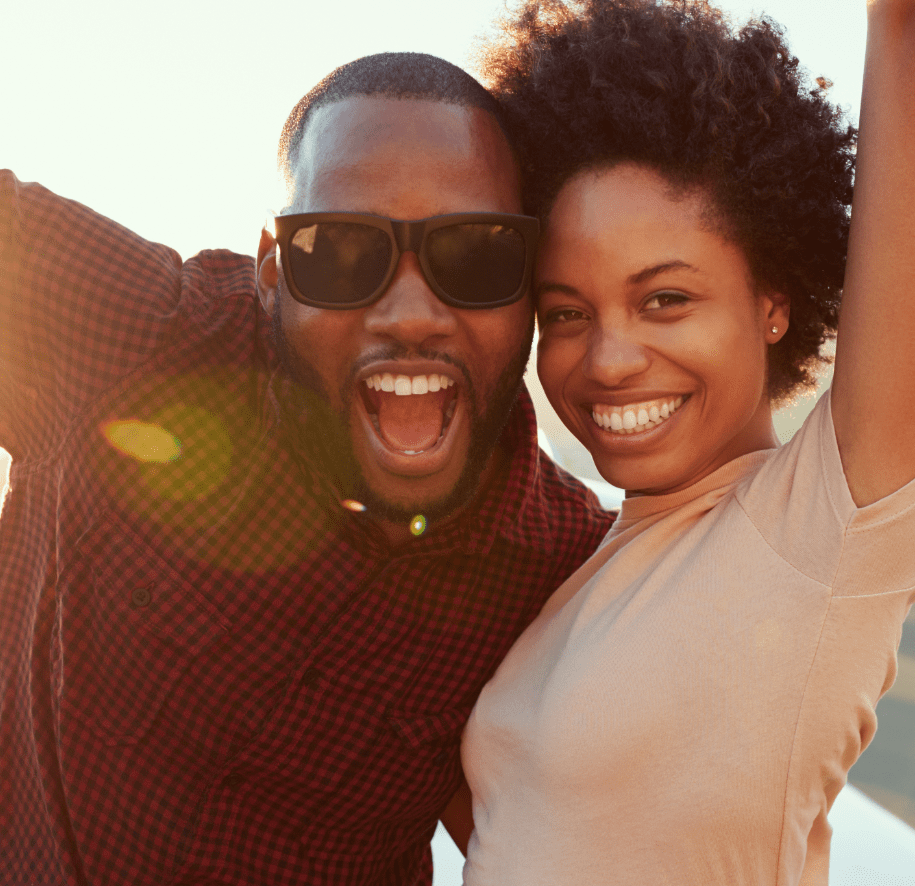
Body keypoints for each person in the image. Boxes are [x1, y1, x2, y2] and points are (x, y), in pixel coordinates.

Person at [0, 53, 613, 885]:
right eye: (339, 251)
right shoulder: (142, 342)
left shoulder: (568, 572)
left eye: (474, 255)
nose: (410, 314)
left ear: (531, 291)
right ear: (272, 273)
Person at [455, 0, 915, 883]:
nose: (607, 359)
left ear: (773, 301)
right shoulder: (594, 564)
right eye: (566, 312)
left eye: (666, 300)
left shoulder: (821, 532)